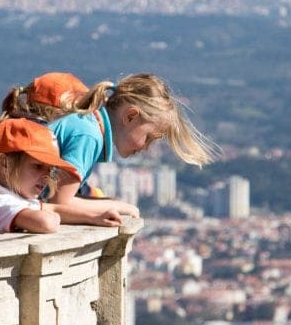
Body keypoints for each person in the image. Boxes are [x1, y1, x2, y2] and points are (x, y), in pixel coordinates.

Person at [46, 73, 217, 223]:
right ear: (130, 116)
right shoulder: (89, 136)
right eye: (148, 138)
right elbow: (59, 203)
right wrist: (117, 206)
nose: (146, 148)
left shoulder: (88, 126)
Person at [0, 117, 80, 235]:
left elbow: (47, 208)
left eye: (50, 170)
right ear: (4, 163)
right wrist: (55, 216)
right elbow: (46, 223)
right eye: (37, 166)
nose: (47, 176)